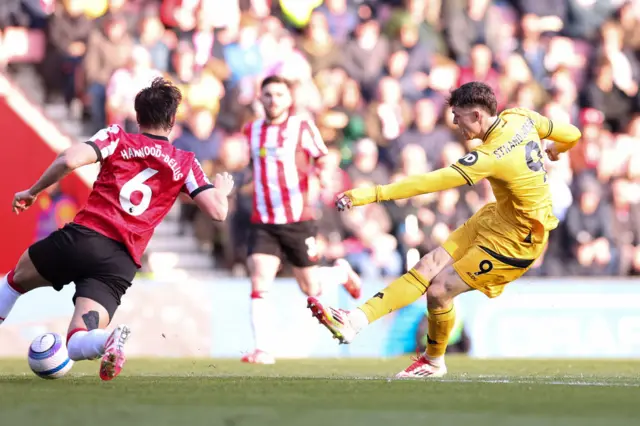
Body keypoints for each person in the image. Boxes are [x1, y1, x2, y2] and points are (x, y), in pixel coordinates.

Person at [307, 81, 582, 378]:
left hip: (518, 241)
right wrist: (556, 149)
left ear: (477, 115)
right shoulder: (521, 117)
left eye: (457, 116)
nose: (453, 123)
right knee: (429, 264)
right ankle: (355, 321)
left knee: (439, 290)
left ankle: (434, 360)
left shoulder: (489, 156)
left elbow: (426, 182)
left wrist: (368, 194)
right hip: (497, 218)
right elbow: (573, 134)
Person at [0, 77, 235, 381]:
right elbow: (218, 211)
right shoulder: (185, 162)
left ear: (138, 116)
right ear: (173, 120)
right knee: (78, 340)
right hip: (120, 261)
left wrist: (33, 190)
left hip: (84, 237)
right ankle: (107, 340)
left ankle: (103, 340)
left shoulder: (118, 138)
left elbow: (69, 158)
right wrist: (222, 190)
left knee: (15, 281)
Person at [241, 75, 361, 364]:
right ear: (260, 98)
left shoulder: (301, 127)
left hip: (297, 218)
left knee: (310, 288)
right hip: (264, 219)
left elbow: (322, 157)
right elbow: (252, 168)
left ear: (289, 99)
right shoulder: (252, 130)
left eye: (279, 95)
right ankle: (262, 350)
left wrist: (322, 173)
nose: (273, 100)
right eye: (268, 94)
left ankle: (341, 273)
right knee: (259, 278)